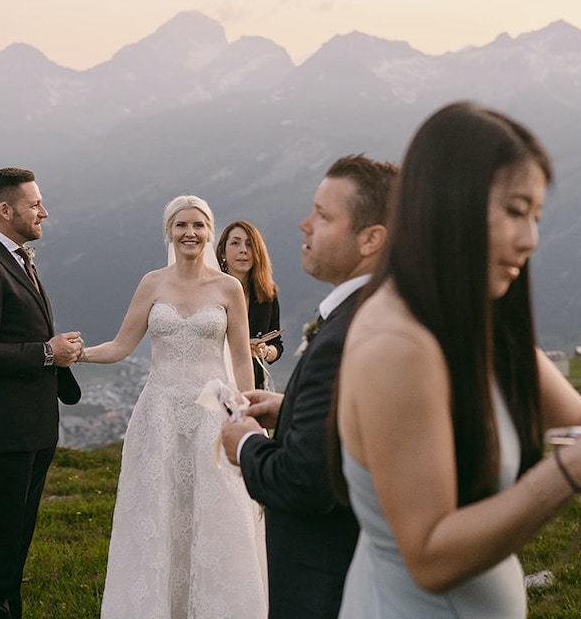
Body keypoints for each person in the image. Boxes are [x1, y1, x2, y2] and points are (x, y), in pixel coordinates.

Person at [332, 103, 581, 617]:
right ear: (451, 202)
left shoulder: (467, 320)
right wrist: (568, 471)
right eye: (516, 211)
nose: (531, 240)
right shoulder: (397, 347)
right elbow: (429, 555)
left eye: (535, 216)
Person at [220, 156, 396, 618]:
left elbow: (303, 482)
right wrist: (291, 406)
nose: (304, 224)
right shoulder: (375, 308)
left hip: (325, 581)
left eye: (322, 215)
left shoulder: (347, 332)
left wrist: (246, 445)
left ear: (371, 238)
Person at [82, 194, 267, 619]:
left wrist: (249, 415)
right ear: (169, 232)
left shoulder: (229, 288)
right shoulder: (152, 283)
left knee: (217, 511)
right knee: (159, 510)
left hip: (212, 411)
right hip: (160, 413)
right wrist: (79, 355)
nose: (191, 233)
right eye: (181, 225)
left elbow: (240, 357)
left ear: (209, 232)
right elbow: (122, 344)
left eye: (199, 226)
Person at [0, 168, 83, 619]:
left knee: (16, 546)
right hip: (1, 431)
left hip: (31, 428)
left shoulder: (15, 257)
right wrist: (48, 353)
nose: (44, 211)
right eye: (35, 205)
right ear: (6, 211)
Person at [217, 220, 283, 389]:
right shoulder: (212, 292)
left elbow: (277, 345)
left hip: (253, 384)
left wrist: (265, 351)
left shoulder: (268, 294)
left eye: (249, 244)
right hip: (216, 384)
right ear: (223, 252)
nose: (243, 250)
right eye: (235, 243)